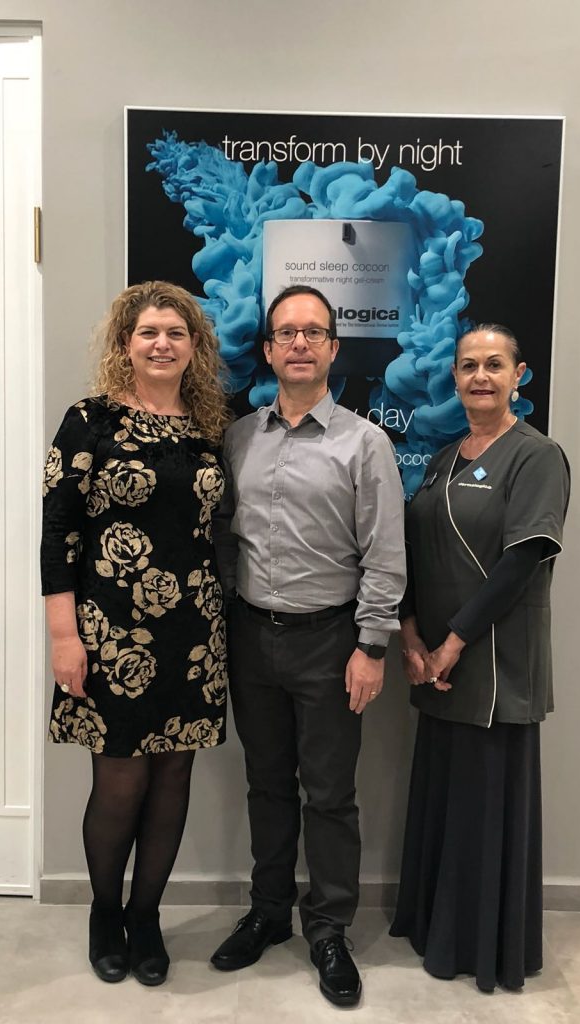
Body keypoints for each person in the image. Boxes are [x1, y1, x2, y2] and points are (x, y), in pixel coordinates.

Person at [210, 285, 406, 1007]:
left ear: (332, 349)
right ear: (267, 350)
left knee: (328, 795)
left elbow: (384, 554)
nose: (299, 343)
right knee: (266, 785)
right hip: (251, 638)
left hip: (331, 642)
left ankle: (327, 928)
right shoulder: (239, 438)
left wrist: (372, 646)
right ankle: (268, 912)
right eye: (286, 333)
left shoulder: (365, 443)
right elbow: (222, 539)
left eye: (313, 332)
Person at [41, 281, 230, 986]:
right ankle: (105, 912)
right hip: (109, 632)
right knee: (119, 777)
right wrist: (64, 636)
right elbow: (58, 532)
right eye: (149, 331)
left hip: (195, 631)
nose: (162, 344)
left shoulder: (209, 426)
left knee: (174, 774)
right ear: (126, 343)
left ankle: (145, 916)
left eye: (176, 333)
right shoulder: (89, 420)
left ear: (194, 346)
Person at [389, 324, 570, 993]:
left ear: (519, 375)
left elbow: (522, 561)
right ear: (455, 377)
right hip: (435, 665)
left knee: (484, 809)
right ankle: (436, 928)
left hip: (492, 665)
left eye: (495, 365)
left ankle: (479, 946)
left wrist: (454, 642)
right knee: (446, 803)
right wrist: (412, 636)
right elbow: (415, 551)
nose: (480, 377)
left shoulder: (537, 456)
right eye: (469, 366)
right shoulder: (443, 457)